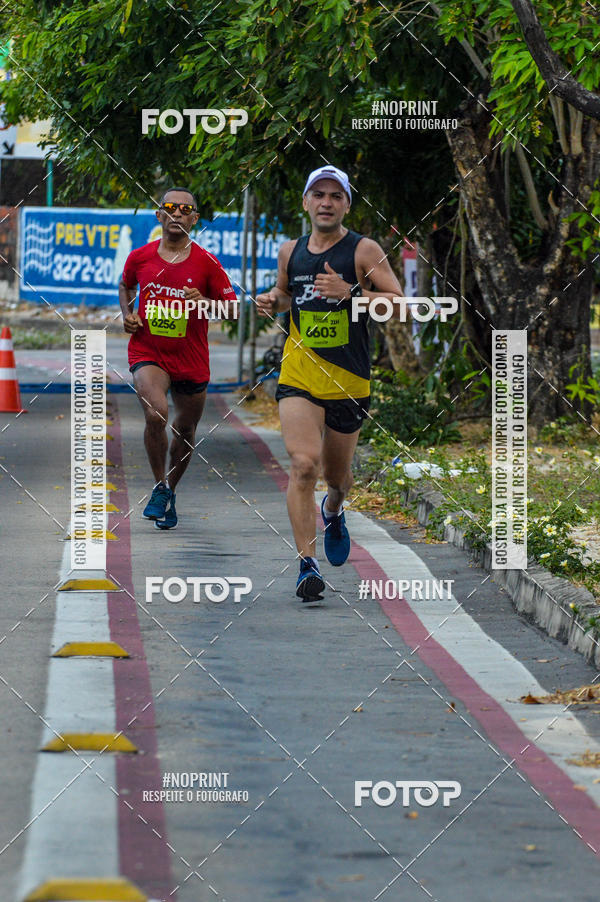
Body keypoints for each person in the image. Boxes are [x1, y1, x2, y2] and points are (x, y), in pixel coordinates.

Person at [257, 165, 403, 600]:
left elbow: (400, 305)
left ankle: (334, 509)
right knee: (304, 464)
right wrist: (272, 300)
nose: (325, 202)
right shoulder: (291, 251)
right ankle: (307, 565)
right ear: (305, 202)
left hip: (349, 382)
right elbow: (287, 294)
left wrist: (353, 293)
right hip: (299, 373)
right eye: (317, 194)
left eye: (335, 196)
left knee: (338, 478)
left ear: (346, 205)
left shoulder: (363, 250)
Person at [119, 187, 237, 529]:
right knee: (156, 414)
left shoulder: (207, 263)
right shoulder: (140, 257)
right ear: (159, 215)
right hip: (148, 351)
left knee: (185, 430)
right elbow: (125, 285)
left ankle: (170, 489)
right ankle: (159, 486)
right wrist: (128, 313)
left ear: (194, 219)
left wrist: (205, 302)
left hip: (191, 358)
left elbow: (232, 310)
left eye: (185, 209)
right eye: (169, 207)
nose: (177, 213)